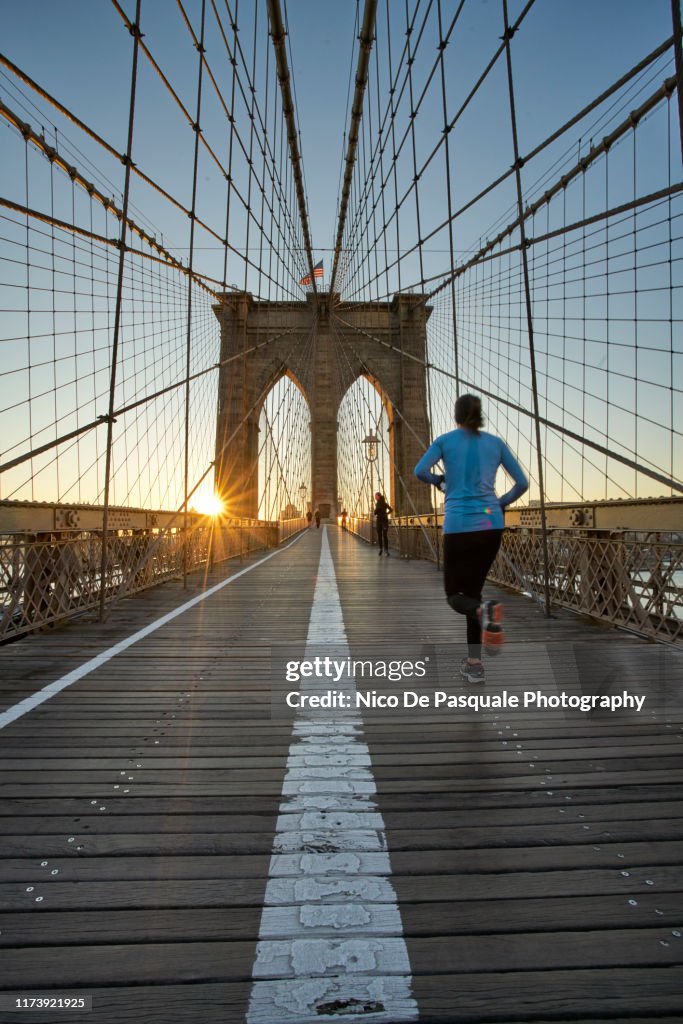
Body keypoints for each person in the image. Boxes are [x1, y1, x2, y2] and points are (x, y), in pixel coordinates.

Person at [414, 394, 528, 683]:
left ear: (456, 415)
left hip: (459, 526)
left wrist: (439, 480)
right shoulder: (495, 443)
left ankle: (483, 611)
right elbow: (523, 483)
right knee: (473, 592)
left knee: (456, 596)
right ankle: (474, 664)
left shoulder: (444, 441)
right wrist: (500, 503)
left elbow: (419, 471)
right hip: (491, 526)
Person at [374, 492, 392, 556]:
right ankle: (384, 550)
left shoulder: (382, 504)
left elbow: (391, 509)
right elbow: (391, 510)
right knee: (383, 535)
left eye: (376, 496)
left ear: (378, 496)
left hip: (381, 521)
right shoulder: (380, 504)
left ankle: (382, 549)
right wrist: (386, 514)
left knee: (382, 535)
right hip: (383, 521)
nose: (375, 497)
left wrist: (385, 513)